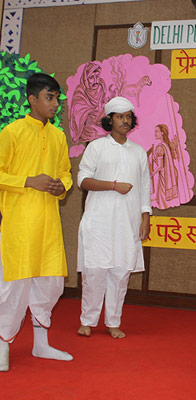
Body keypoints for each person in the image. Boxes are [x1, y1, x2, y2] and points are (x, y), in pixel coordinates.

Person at [0, 73, 73, 371]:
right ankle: (2, 345)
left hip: (49, 225)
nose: (55, 104)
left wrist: (62, 186)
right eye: (49, 97)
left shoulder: (58, 136)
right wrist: (29, 181)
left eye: (57, 98)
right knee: (14, 286)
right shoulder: (12, 132)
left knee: (50, 284)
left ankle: (41, 345)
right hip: (19, 223)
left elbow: (65, 171)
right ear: (32, 99)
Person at [77, 96, 151, 339]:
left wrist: (145, 216)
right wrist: (113, 185)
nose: (125, 121)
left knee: (120, 273)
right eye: (120, 117)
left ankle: (113, 322)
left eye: (128, 117)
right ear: (110, 120)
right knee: (94, 272)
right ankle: (87, 321)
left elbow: (145, 186)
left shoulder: (138, 152)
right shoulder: (96, 147)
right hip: (98, 220)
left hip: (127, 221)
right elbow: (82, 180)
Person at [149, 124, 179, 209]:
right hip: (172, 173)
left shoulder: (160, 147)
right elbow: (175, 155)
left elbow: (160, 166)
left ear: (162, 133)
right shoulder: (167, 144)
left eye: (157, 131)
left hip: (164, 176)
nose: (155, 133)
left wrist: (151, 174)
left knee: (162, 200)